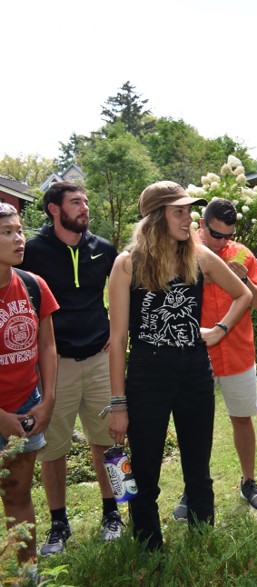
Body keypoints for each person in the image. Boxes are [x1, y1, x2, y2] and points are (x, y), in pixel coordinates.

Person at [107, 181, 251, 550]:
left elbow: (243, 294)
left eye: (189, 211)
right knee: (145, 468)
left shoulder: (199, 256)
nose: (189, 219)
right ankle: (148, 547)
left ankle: (202, 540)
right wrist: (119, 403)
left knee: (198, 467)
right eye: (180, 211)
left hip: (194, 370)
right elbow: (118, 338)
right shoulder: (127, 264)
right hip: (147, 372)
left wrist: (219, 330)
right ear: (157, 217)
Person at [17, 182, 122, 556]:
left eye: (86, 202)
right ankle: (59, 524)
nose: (85, 208)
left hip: (98, 360)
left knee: (107, 441)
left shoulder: (103, 248)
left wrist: (119, 327)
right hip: (53, 365)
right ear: (53, 210)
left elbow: (127, 288)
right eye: (76, 202)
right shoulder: (32, 252)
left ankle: (114, 513)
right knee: (53, 449)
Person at [171, 198, 257, 521]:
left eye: (228, 235)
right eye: (216, 234)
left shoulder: (243, 256)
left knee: (242, 417)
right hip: (195, 353)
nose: (222, 242)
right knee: (195, 423)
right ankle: (192, 487)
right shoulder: (182, 254)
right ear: (202, 225)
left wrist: (239, 279)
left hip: (238, 351)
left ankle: (249, 482)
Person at [0, 202, 59, 563]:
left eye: (19, 230)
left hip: (26, 408)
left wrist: (48, 399)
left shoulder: (33, 285)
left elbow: (47, 344)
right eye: (7, 232)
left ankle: (27, 575)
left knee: (18, 495)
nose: (19, 239)